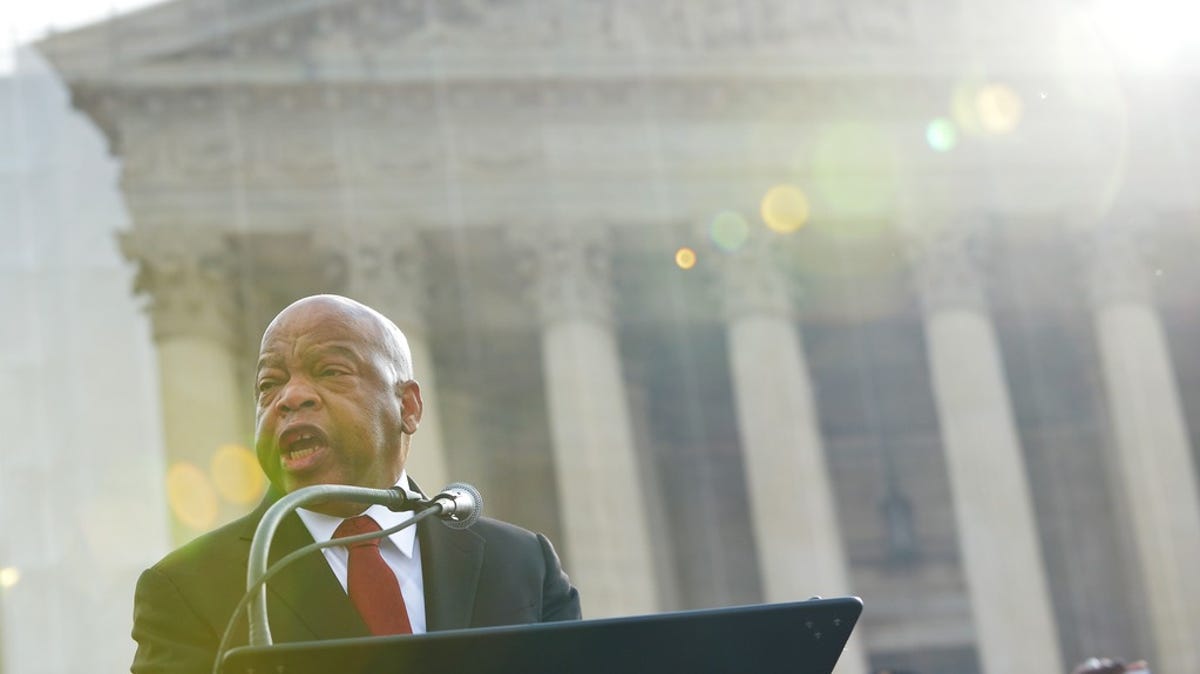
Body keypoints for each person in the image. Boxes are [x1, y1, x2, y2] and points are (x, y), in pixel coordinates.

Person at [131, 294, 581, 673]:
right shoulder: (189, 588)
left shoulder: (522, 565)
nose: (291, 397)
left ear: (408, 407)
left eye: (330, 371)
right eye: (270, 384)